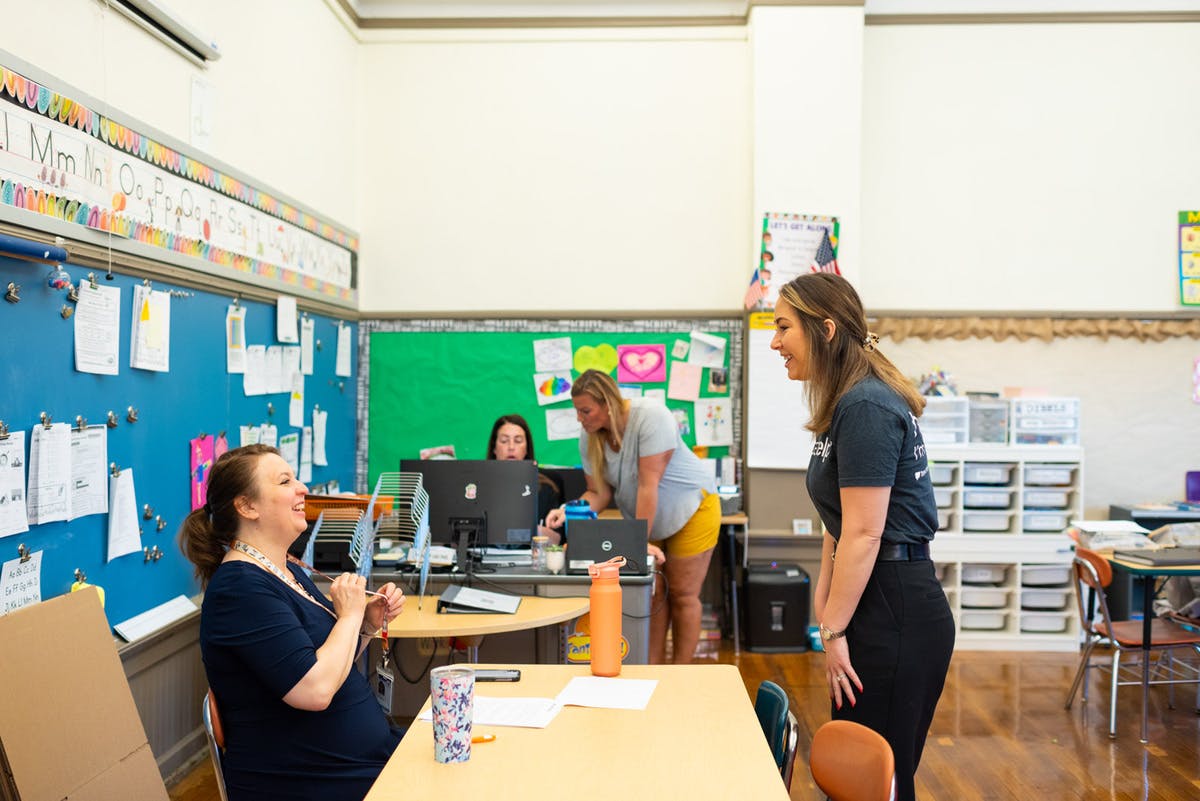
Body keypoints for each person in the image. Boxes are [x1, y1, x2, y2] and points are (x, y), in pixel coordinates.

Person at [770, 272, 954, 801]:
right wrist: (827, 608)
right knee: (856, 775)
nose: (775, 341)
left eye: (784, 327)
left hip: (895, 606)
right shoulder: (844, 404)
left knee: (879, 780)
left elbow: (867, 533)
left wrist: (834, 629)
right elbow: (840, 523)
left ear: (825, 329)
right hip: (872, 600)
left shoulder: (867, 406)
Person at [178, 444, 406, 801]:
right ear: (247, 506)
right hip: (310, 782)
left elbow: (325, 663)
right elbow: (314, 690)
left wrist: (364, 625)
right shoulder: (239, 590)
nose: (302, 488)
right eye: (285, 481)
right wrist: (348, 615)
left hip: (356, 765)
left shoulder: (287, 569)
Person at [545, 370, 719, 664]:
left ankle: (680, 673)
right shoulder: (590, 436)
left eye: (585, 410)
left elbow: (647, 487)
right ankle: (650, 668)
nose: (580, 418)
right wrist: (567, 510)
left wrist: (637, 543)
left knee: (682, 593)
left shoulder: (652, 417)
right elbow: (597, 493)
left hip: (693, 508)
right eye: (577, 411)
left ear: (608, 404)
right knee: (653, 592)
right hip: (650, 517)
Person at [486, 413, 564, 543]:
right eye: (504, 441)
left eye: (518, 441)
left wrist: (518, 528)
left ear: (527, 448)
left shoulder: (547, 487)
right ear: (494, 447)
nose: (511, 447)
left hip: (534, 559)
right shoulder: (477, 485)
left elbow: (557, 540)